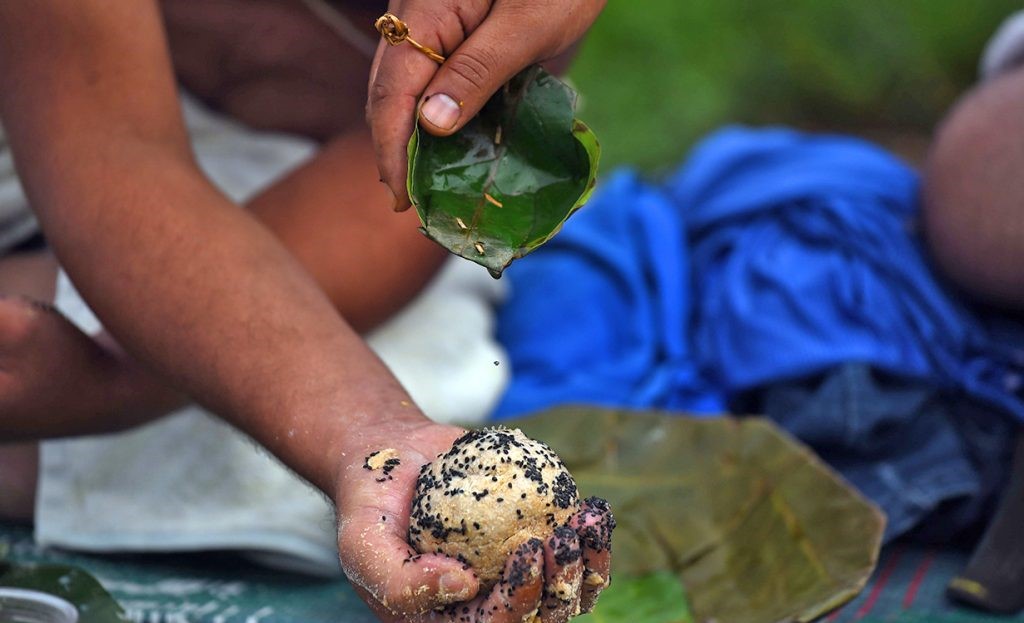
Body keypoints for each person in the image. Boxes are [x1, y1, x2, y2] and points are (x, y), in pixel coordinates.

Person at [0, 1, 612, 621]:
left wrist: (371, 436)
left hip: (281, 177)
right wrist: (139, 363)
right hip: (52, 109)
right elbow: (114, 149)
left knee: (426, 371)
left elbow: (390, 203)